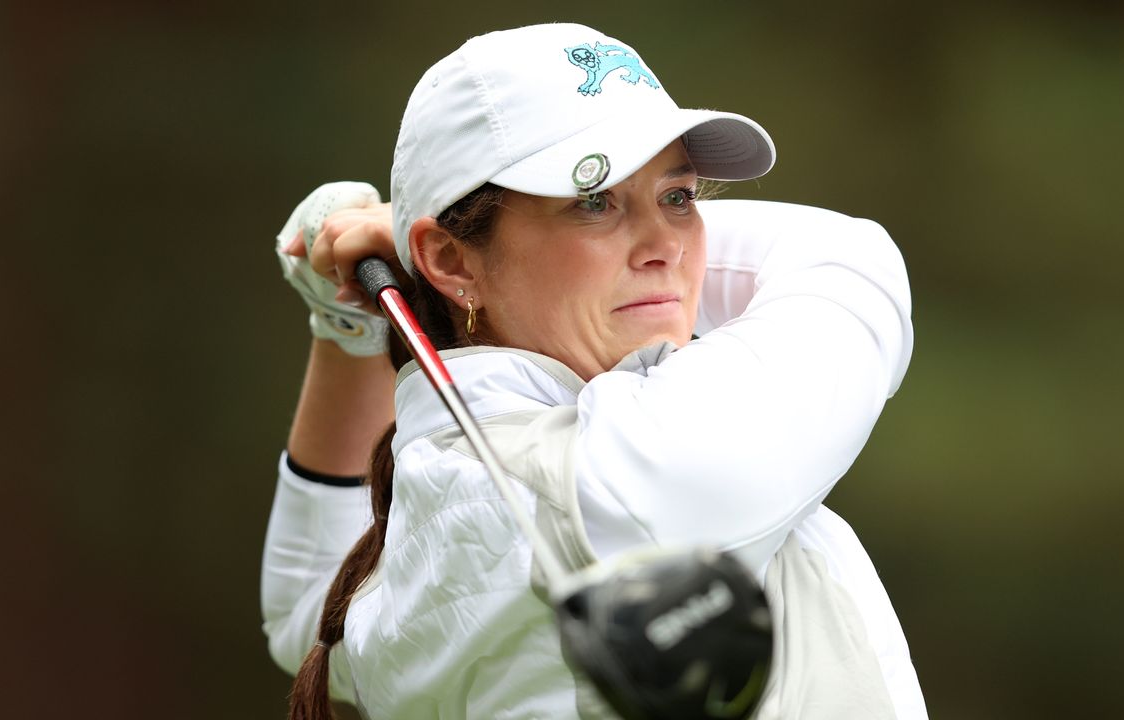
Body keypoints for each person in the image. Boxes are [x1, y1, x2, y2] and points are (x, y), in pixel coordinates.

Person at [261, 22, 927, 720]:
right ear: (450, 259)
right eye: (593, 201)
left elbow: (306, 607)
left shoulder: (436, 499)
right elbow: (851, 257)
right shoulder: (631, 464)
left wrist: (352, 323)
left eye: (679, 197)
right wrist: (399, 242)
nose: (664, 246)